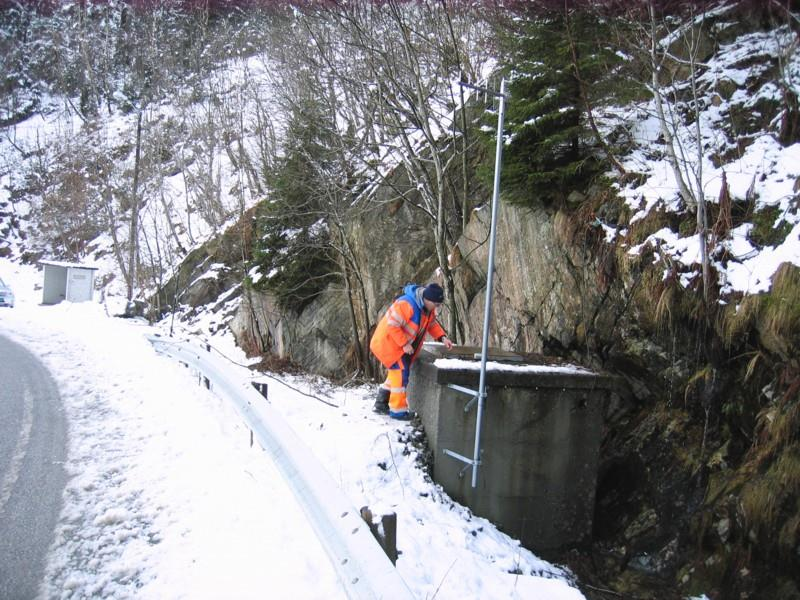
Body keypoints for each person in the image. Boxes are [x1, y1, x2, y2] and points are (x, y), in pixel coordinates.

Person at [369, 282, 454, 420]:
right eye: (437, 304)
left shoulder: (427, 309)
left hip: (396, 345)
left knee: (396, 374)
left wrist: (442, 337)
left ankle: (381, 403)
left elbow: (431, 324)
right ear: (428, 300)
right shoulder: (406, 304)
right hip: (388, 344)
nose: (438, 308)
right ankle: (398, 411)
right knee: (401, 373)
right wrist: (404, 344)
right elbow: (392, 325)